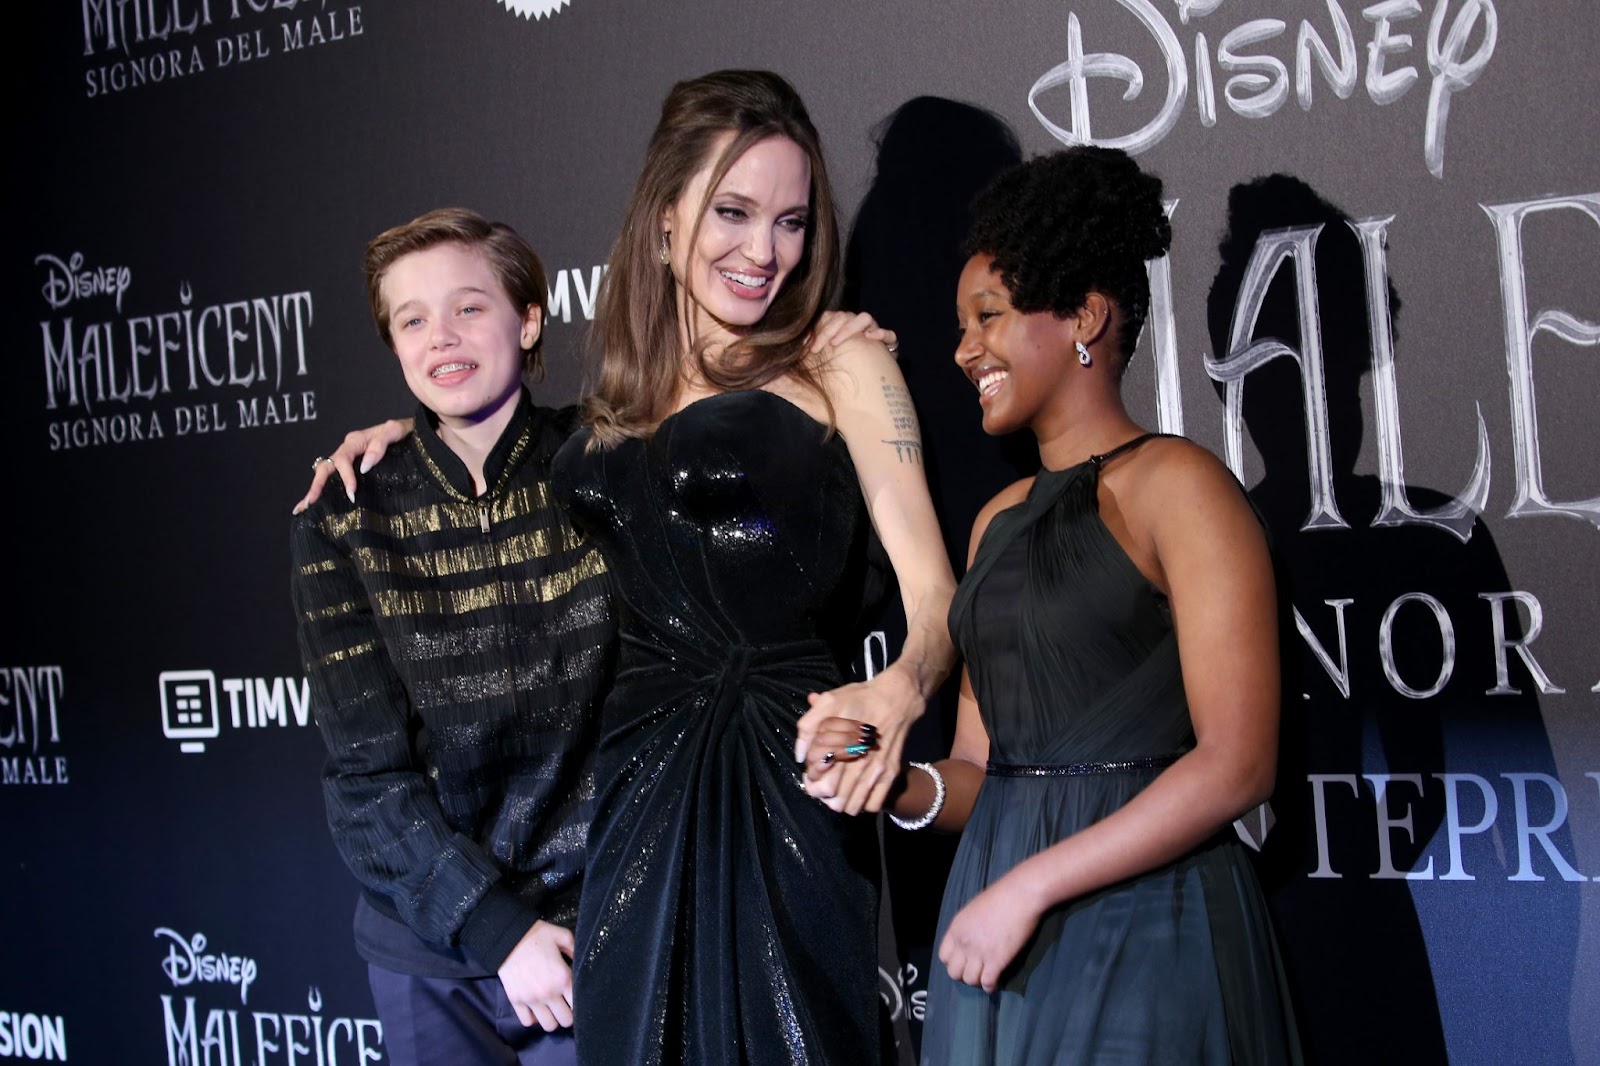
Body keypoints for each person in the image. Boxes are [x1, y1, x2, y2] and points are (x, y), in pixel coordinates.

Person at [296, 71, 957, 1066]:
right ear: (661, 222)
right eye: (732, 213)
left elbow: (934, 598)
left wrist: (894, 696)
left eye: (790, 221)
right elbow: (489, 442)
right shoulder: (607, 413)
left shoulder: (840, 362)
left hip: (780, 774)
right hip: (634, 808)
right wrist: (400, 439)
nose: (763, 251)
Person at [810, 147, 1303, 1064]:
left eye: (987, 317)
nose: (962, 351)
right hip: (998, 931)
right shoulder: (996, 522)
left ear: (1085, 316)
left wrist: (1030, 888)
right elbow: (979, 773)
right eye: (960, 324)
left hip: (1149, 924)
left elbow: (1240, 765)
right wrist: (891, 783)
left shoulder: (1182, 487)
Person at [289, 208, 616, 1065]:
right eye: (413, 318)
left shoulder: (605, 466)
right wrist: (498, 932)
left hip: (594, 939)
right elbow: (366, 780)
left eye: (470, 307)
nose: (443, 338)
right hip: (428, 950)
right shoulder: (345, 514)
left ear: (530, 318)